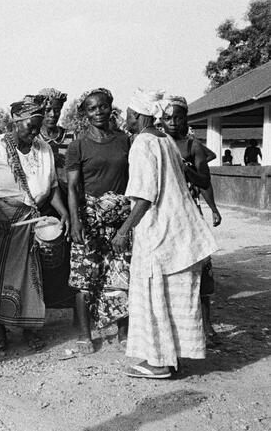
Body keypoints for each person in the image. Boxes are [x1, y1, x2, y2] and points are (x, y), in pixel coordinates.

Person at [115, 89, 219, 379]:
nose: (125, 119)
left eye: (127, 114)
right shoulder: (165, 141)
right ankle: (171, 359)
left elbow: (145, 197)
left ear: (137, 116)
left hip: (159, 232)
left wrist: (124, 230)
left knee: (154, 295)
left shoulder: (143, 143)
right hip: (178, 233)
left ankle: (158, 362)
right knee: (174, 298)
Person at [0, 94, 69, 351]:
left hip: (31, 219)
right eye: (31, 126)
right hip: (3, 219)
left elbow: (53, 188)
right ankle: (0, 331)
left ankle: (29, 329)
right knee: (0, 274)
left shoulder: (43, 149)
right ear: (16, 123)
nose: (35, 132)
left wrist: (64, 213)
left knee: (31, 276)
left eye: (38, 126)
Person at [66, 88, 131, 354]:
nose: (98, 112)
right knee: (84, 277)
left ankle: (123, 331)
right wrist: (75, 220)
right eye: (92, 109)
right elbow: (72, 188)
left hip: (120, 219)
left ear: (111, 108)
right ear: (85, 113)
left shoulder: (125, 140)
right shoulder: (78, 145)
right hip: (89, 218)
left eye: (103, 107)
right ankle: (85, 335)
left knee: (121, 273)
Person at [160, 95, 222, 346]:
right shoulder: (156, 142)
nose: (173, 122)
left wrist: (213, 208)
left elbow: (205, 182)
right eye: (167, 117)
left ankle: (206, 326)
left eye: (178, 117)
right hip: (164, 215)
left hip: (188, 212)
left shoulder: (192, 146)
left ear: (185, 118)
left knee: (200, 266)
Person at [36, 87, 75, 310]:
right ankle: (43, 299)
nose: (52, 114)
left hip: (66, 198)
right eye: (48, 110)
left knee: (64, 249)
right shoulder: (33, 137)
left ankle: (63, 298)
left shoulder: (70, 136)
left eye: (56, 110)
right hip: (43, 202)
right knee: (43, 249)